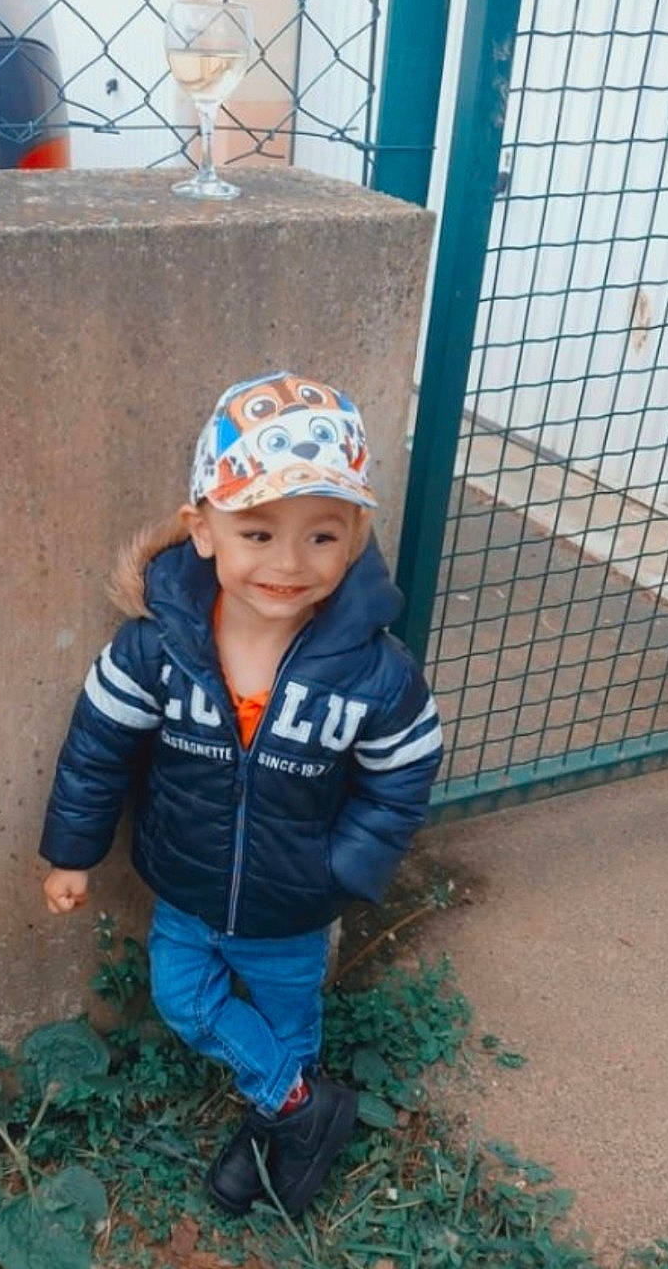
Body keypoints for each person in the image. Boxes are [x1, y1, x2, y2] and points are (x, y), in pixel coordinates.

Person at [39, 370, 443, 1218]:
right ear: (204, 530)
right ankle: (298, 1106)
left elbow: (402, 773)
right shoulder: (156, 650)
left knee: (293, 1019)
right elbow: (97, 749)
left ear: (356, 537)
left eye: (322, 535)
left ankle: (280, 1122)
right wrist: (72, 854)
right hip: (186, 890)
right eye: (258, 532)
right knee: (183, 999)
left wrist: (342, 868)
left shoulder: (374, 674)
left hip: (295, 905)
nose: (288, 564)